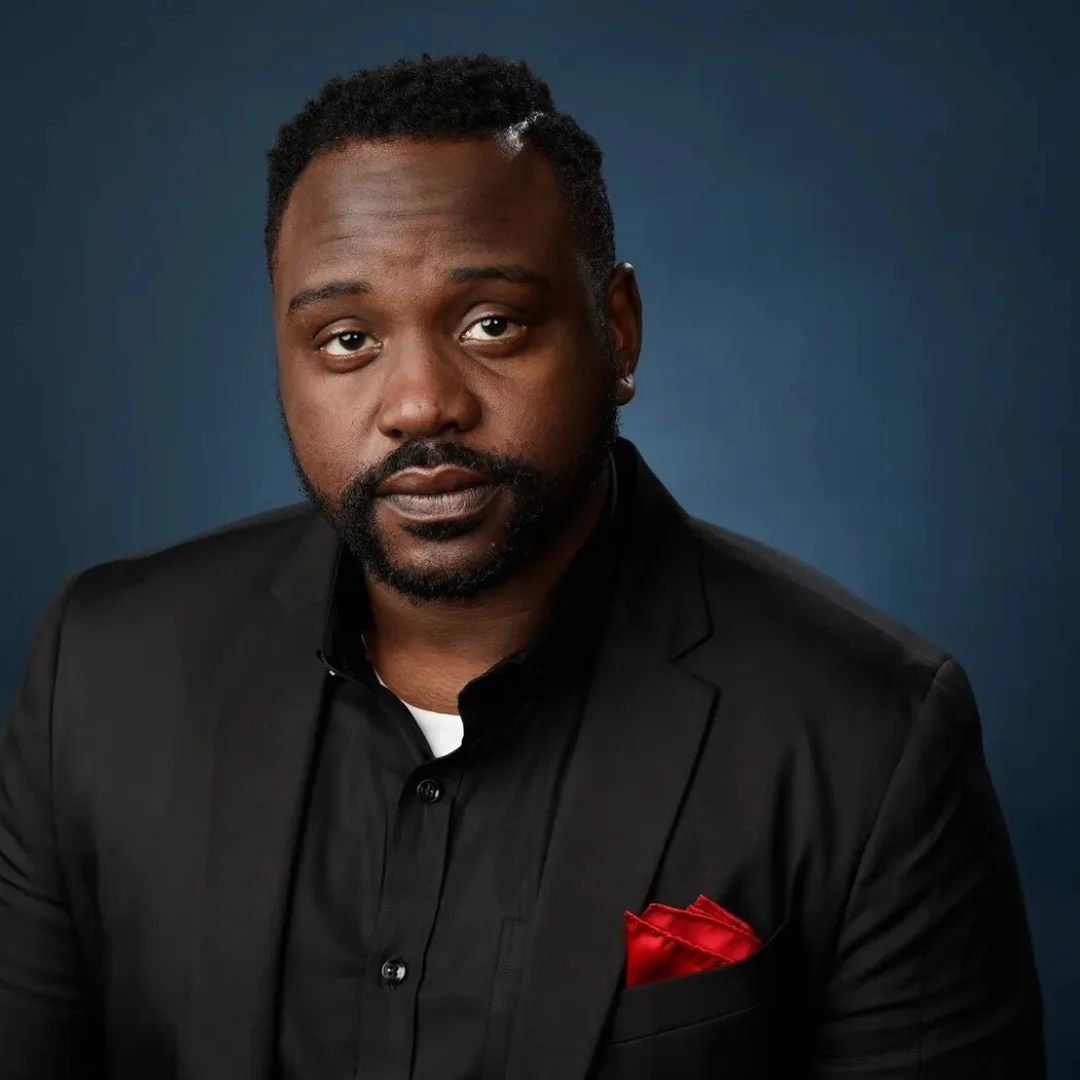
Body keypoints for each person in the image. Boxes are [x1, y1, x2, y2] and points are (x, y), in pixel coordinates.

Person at [0, 53, 1044, 1080]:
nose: (419, 403)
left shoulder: (867, 735)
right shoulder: (103, 673)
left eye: (491, 323)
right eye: (347, 338)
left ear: (617, 331)